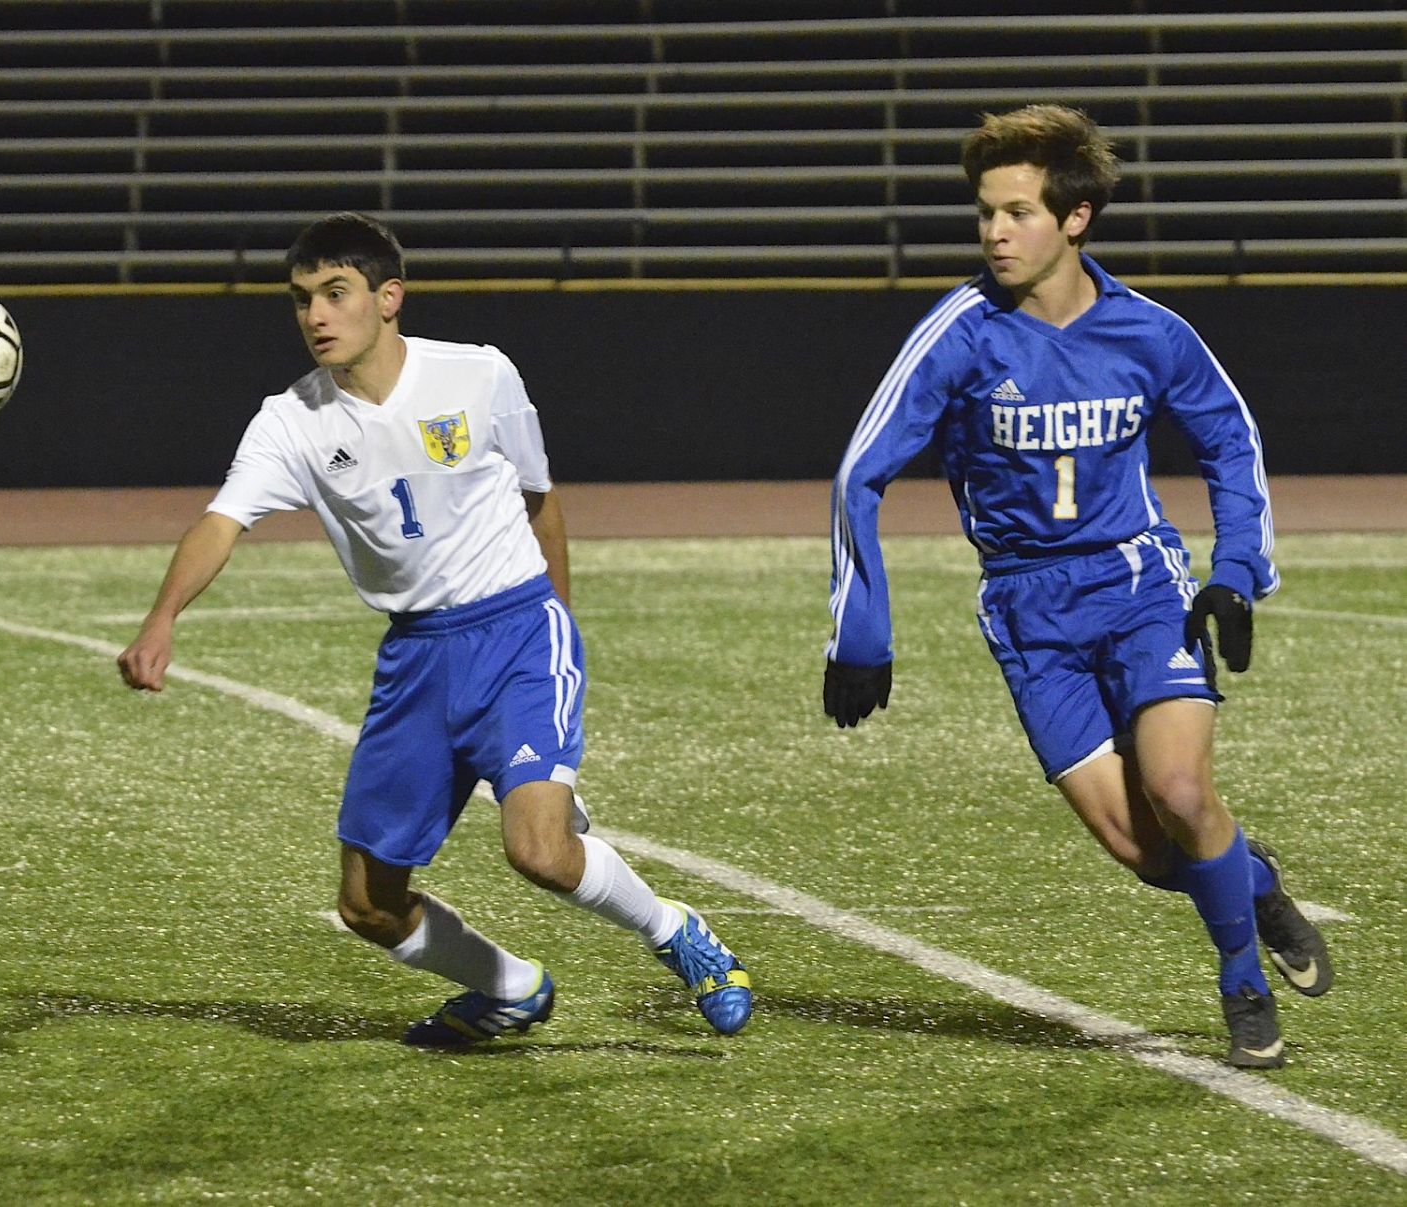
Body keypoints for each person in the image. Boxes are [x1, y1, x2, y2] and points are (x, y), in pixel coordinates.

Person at [118, 212, 750, 1045]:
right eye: (303, 298)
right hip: (415, 658)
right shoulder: (290, 420)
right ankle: (511, 987)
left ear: (389, 298)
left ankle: (680, 935)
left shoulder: (479, 375)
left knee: (540, 851)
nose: (316, 316)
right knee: (367, 905)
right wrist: (162, 617)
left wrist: (556, 610)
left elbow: (538, 497)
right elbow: (221, 520)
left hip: (517, 630)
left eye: (336, 294)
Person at [821, 105, 1330, 1069]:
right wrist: (862, 624)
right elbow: (860, 475)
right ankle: (1252, 882)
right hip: (1026, 608)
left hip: (1141, 584)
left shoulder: (1150, 331)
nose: (995, 233)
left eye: (1017, 212)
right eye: (986, 214)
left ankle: (1242, 981)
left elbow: (1230, 437)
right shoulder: (959, 335)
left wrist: (1233, 572)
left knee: (1181, 787)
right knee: (1146, 853)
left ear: (1076, 218)